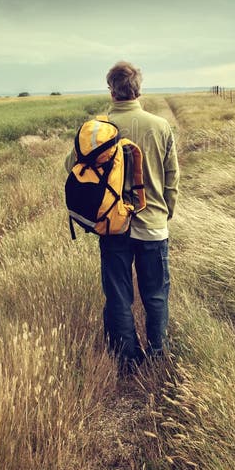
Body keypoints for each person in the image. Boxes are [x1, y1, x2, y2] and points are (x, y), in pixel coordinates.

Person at [66, 61, 179, 371]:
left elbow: (72, 169)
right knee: (155, 294)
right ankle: (158, 355)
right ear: (138, 89)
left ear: (111, 89)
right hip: (153, 225)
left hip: (112, 226)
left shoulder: (97, 129)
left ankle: (126, 360)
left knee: (118, 295)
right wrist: (164, 212)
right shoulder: (160, 126)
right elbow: (172, 177)